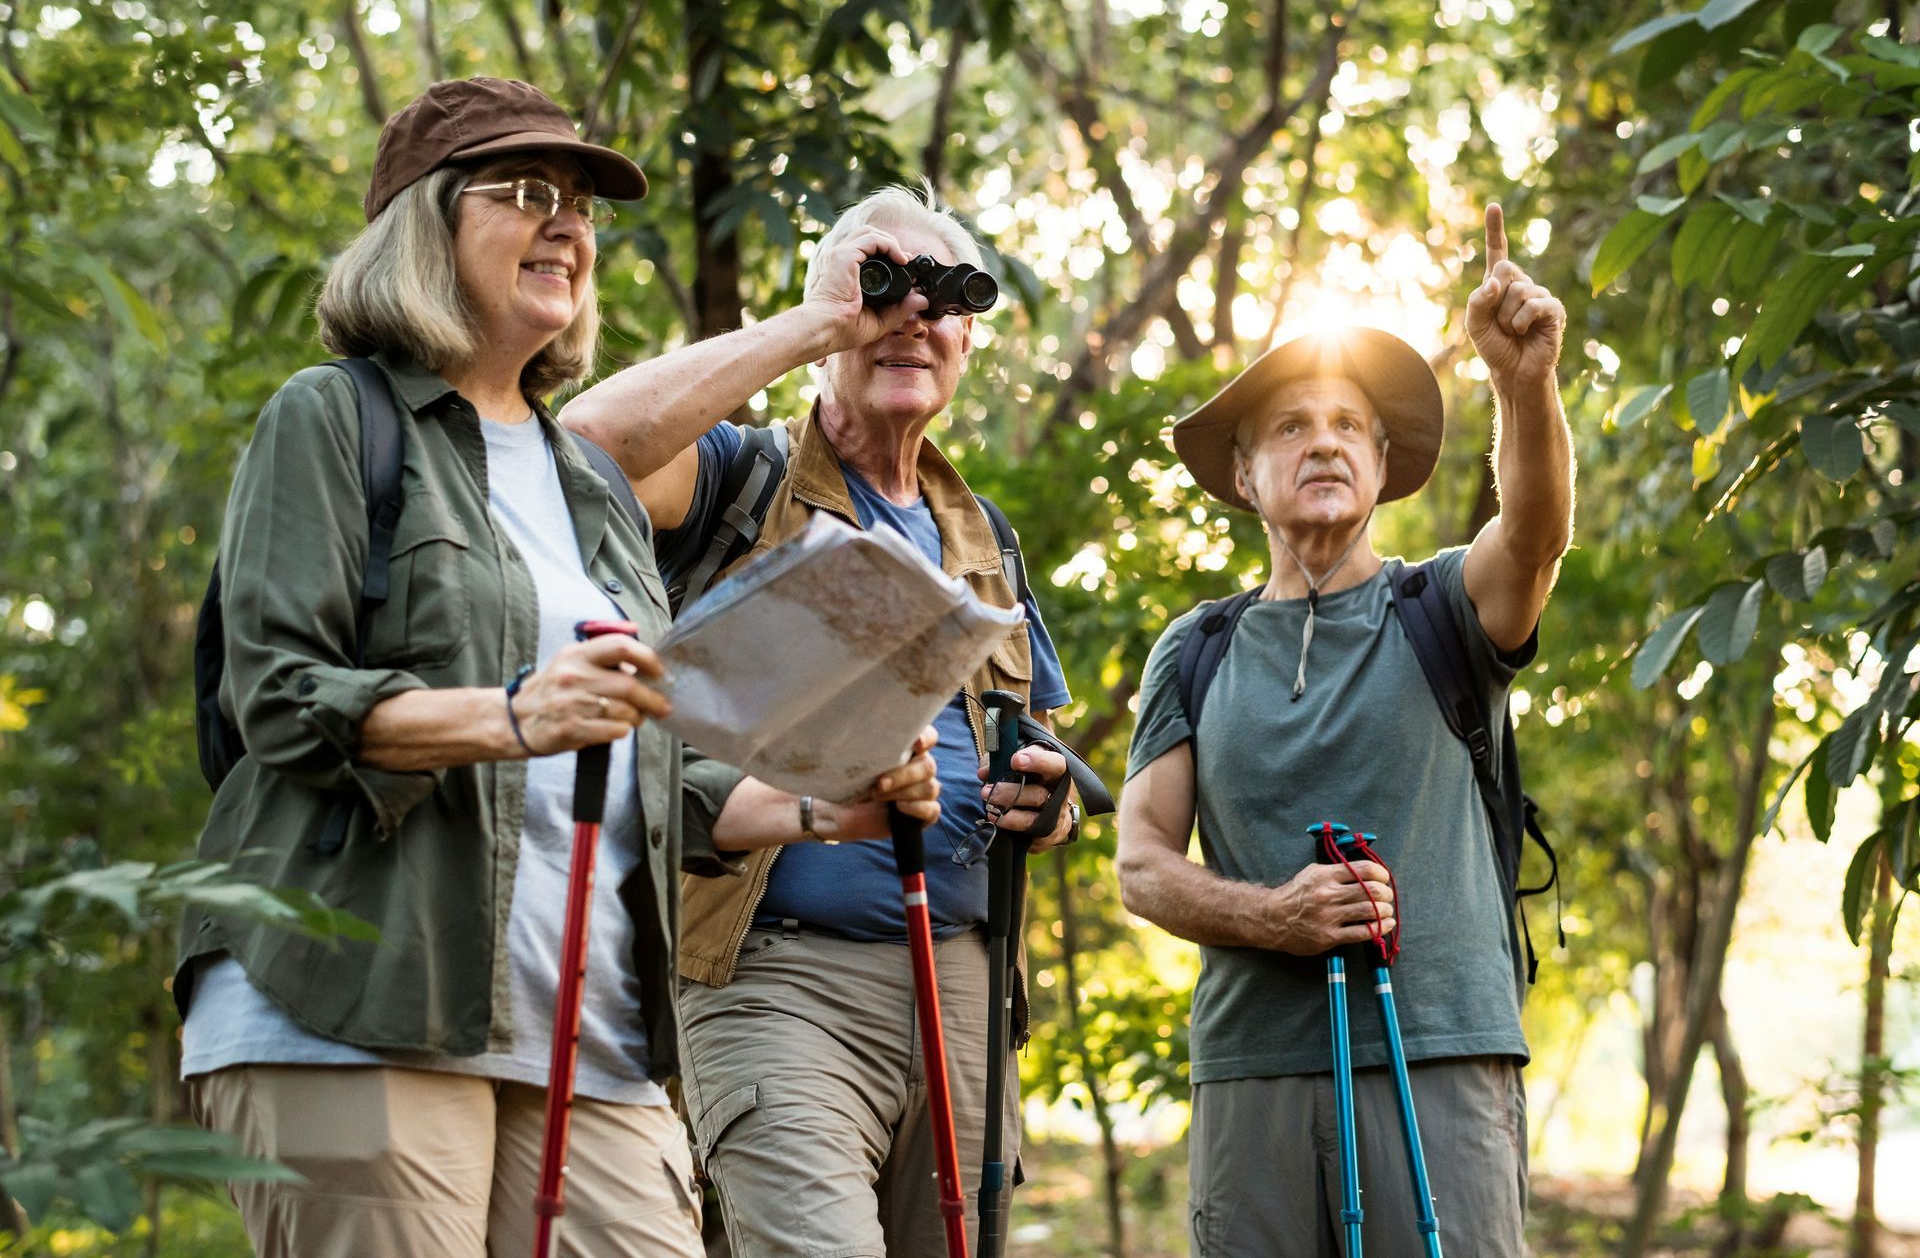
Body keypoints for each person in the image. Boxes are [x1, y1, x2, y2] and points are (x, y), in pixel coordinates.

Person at [173, 78, 936, 1258]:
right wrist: (512, 712)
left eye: (580, 204)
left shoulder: (588, 488)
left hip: (590, 1033)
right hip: (352, 1000)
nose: (568, 224)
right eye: (528, 193)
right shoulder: (334, 417)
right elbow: (276, 693)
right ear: (423, 225)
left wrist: (819, 805)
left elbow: (650, 762)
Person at [562, 184, 1079, 1257]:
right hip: (778, 979)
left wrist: (1052, 802)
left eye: (943, 298)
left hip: (968, 987)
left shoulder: (988, 538)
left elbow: (1038, 753)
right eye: (884, 287)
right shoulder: (737, 476)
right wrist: (817, 321)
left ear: (971, 337)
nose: (914, 318)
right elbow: (588, 443)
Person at [1115, 205, 1573, 1258]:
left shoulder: (1445, 606)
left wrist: (1522, 383)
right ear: (1244, 475)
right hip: (1253, 1073)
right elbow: (1141, 866)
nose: (1321, 438)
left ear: (1379, 460)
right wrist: (1272, 914)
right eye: (1290, 425)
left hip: (1440, 1052)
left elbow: (1539, 530)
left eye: (1347, 423)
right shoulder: (1197, 648)